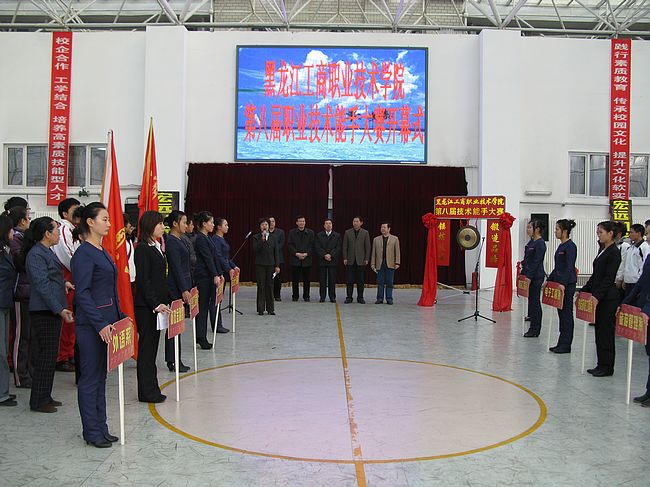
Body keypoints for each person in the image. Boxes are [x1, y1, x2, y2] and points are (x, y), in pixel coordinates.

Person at [70, 203, 124, 447]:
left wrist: (120, 316)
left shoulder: (101, 251)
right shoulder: (83, 254)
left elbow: (108, 291)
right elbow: (82, 294)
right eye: (105, 219)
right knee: (90, 379)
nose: (109, 224)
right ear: (90, 222)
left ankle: (101, 427)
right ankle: (91, 431)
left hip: (108, 324)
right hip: (92, 326)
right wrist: (100, 323)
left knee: (101, 378)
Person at [24, 217, 74, 413]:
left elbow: (51, 278)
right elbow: (42, 285)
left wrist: (64, 284)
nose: (58, 235)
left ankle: (45, 395)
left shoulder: (46, 251)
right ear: (46, 233)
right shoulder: (36, 254)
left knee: (50, 355)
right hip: (44, 310)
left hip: (51, 309)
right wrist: (59, 309)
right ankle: (38, 400)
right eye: (55, 231)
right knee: (45, 355)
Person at [134, 211, 171, 403]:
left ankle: (151, 388)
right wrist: (155, 303)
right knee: (147, 351)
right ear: (150, 225)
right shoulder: (142, 249)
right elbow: (144, 280)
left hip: (157, 306)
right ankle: (146, 392)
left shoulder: (156, 246)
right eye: (159, 224)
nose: (163, 227)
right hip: (147, 307)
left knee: (152, 349)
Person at [581, 221, 621, 377]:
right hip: (599, 296)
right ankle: (600, 363)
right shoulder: (602, 250)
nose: (598, 235)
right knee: (599, 332)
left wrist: (597, 296)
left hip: (608, 298)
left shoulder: (614, 252)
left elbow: (608, 278)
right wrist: (584, 290)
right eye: (597, 232)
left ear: (610, 234)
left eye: (601, 232)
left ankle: (607, 366)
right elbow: (596, 275)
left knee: (606, 333)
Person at [52, 197, 80, 373]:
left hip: (74, 278)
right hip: (67, 277)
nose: (78, 213)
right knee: (67, 319)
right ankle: (62, 356)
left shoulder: (75, 229)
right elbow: (69, 257)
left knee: (73, 320)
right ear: (64, 213)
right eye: (74, 210)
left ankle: (70, 353)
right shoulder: (63, 230)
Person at [7, 205, 32, 388]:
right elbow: (21, 263)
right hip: (20, 294)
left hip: (29, 292)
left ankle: (27, 372)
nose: (29, 221)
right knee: (20, 337)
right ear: (22, 221)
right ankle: (20, 375)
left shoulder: (24, 238)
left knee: (28, 336)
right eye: (28, 218)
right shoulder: (16, 239)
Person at [164, 211, 192, 373]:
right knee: (174, 325)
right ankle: (173, 360)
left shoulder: (180, 240)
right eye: (184, 222)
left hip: (182, 286)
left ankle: (175, 358)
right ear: (175, 224)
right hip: (176, 289)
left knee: (177, 325)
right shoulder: (172, 242)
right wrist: (184, 289)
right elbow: (176, 268)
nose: (186, 225)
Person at [193, 212, 223, 349]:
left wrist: (219, 273)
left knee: (206, 305)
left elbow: (215, 257)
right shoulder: (200, 239)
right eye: (211, 222)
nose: (213, 225)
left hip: (209, 276)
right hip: (203, 277)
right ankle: (201, 337)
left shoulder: (207, 238)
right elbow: (207, 259)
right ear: (204, 224)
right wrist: (214, 275)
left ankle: (201, 335)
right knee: (203, 307)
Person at [547, 219, 578, 353]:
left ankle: (566, 344)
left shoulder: (570, 246)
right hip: (559, 284)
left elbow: (569, 266)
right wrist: (549, 279)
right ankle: (561, 342)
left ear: (565, 231)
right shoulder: (561, 246)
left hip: (567, 285)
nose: (555, 232)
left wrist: (563, 283)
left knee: (566, 314)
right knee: (561, 314)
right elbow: (558, 267)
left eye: (557, 229)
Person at [0, 214, 17, 406]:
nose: (13, 232)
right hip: (1, 303)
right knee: (0, 351)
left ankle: (3, 389)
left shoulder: (6, 250)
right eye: (11, 229)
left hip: (5, 303)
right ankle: (1, 393)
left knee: (3, 348)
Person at [521, 219, 547, 337]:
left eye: (530, 227)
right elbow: (527, 259)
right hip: (529, 275)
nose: (527, 230)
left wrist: (529, 276)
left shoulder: (540, 243)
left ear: (537, 229)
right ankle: (532, 322)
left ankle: (535, 329)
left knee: (535, 302)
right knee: (531, 301)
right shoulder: (531, 242)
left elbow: (536, 261)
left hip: (536, 277)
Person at [251, 218, 280, 315]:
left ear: (269, 226)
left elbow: (276, 252)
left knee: (270, 286)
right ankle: (260, 309)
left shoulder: (274, 237)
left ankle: (270, 309)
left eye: (266, 224)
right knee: (261, 286)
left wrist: (277, 265)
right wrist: (262, 240)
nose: (264, 226)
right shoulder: (256, 237)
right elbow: (255, 249)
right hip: (260, 265)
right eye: (262, 224)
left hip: (271, 264)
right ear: (260, 226)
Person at [209, 218, 232, 334]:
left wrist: (233, 266)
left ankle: (219, 323)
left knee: (219, 299)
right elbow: (218, 256)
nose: (227, 227)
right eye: (225, 225)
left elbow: (226, 257)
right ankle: (216, 324)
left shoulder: (222, 239)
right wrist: (228, 268)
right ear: (219, 227)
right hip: (218, 272)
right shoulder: (215, 240)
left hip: (222, 271)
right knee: (215, 299)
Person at [370, 222, 401, 305]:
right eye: (381, 227)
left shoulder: (395, 239)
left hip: (390, 263)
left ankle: (389, 298)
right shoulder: (376, 239)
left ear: (389, 229)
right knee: (380, 282)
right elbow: (373, 253)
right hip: (379, 263)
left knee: (389, 282)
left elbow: (397, 251)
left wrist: (397, 262)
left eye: (384, 227)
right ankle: (379, 298)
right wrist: (372, 263)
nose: (382, 229)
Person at [342, 216, 371, 304]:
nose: (355, 223)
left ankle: (360, 297)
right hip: (350, 260)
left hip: (361, 260)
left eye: (357, 221)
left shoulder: (365, 233)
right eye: (354, 221)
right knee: (349, 281)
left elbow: (368, 247)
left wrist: (366, 258)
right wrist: (345, 258)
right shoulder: (347, 232)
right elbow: (344, 246)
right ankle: (349, 297)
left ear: (361, 223)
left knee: (360, 281)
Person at [288, 215, 315, 302]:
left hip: (307, 259)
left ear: (305, 222)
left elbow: (312, 245)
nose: (302, 223)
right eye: (300, 221)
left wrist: (306, 254)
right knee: (295, 279)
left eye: (303, 221)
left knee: (307, 280)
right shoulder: (292, 232)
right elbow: (290, 245)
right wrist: (297, 253)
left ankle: (306, 296)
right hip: (295, 259)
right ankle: (295, 296)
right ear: (297, 223)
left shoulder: (310, 233)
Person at [620, 224, 650, 299]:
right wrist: (624, 279)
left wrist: (640, 280)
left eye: (631, 232)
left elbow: (644, 265)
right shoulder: (630, 247)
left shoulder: (644, 247)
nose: (629, 235)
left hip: (637, 282)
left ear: (639, 233)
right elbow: (626, 264)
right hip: (628, 282)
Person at [315, 219, 341, 303]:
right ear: (324, 225)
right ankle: (322, 297)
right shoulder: (319, 235)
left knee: (332, 280)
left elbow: (338, 247)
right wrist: (324, 255)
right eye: (326, 223)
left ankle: (332, 297)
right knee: (322, 280)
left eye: (330, 223)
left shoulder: (337, 235)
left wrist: (331, 255)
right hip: (322, 260)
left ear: (332, 225)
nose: (328, 225)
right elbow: (317, 247)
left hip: (332, 260)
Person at [269, 216, 285, 301]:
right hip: (267, 258)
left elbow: (281, 244)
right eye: (270, 221)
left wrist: (272, 249)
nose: (271, 223)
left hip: (278, 258)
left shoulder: (280, 232)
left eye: (273, 221)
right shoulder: (264, 232)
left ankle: (277, 295)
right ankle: (269, 295)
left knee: (277, 279)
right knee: (269, 278)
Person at [614, 222, 632, 301]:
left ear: (619, 234)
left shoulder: (624, 246)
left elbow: (623, 263)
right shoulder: (615, 245)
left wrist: (619, 279)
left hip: (619, 281)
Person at [123, 213, 136, 289]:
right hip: (125, 276)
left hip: (131, 276)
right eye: (128, 223)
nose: (130, 225)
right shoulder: (120, 242)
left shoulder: (129, 240)